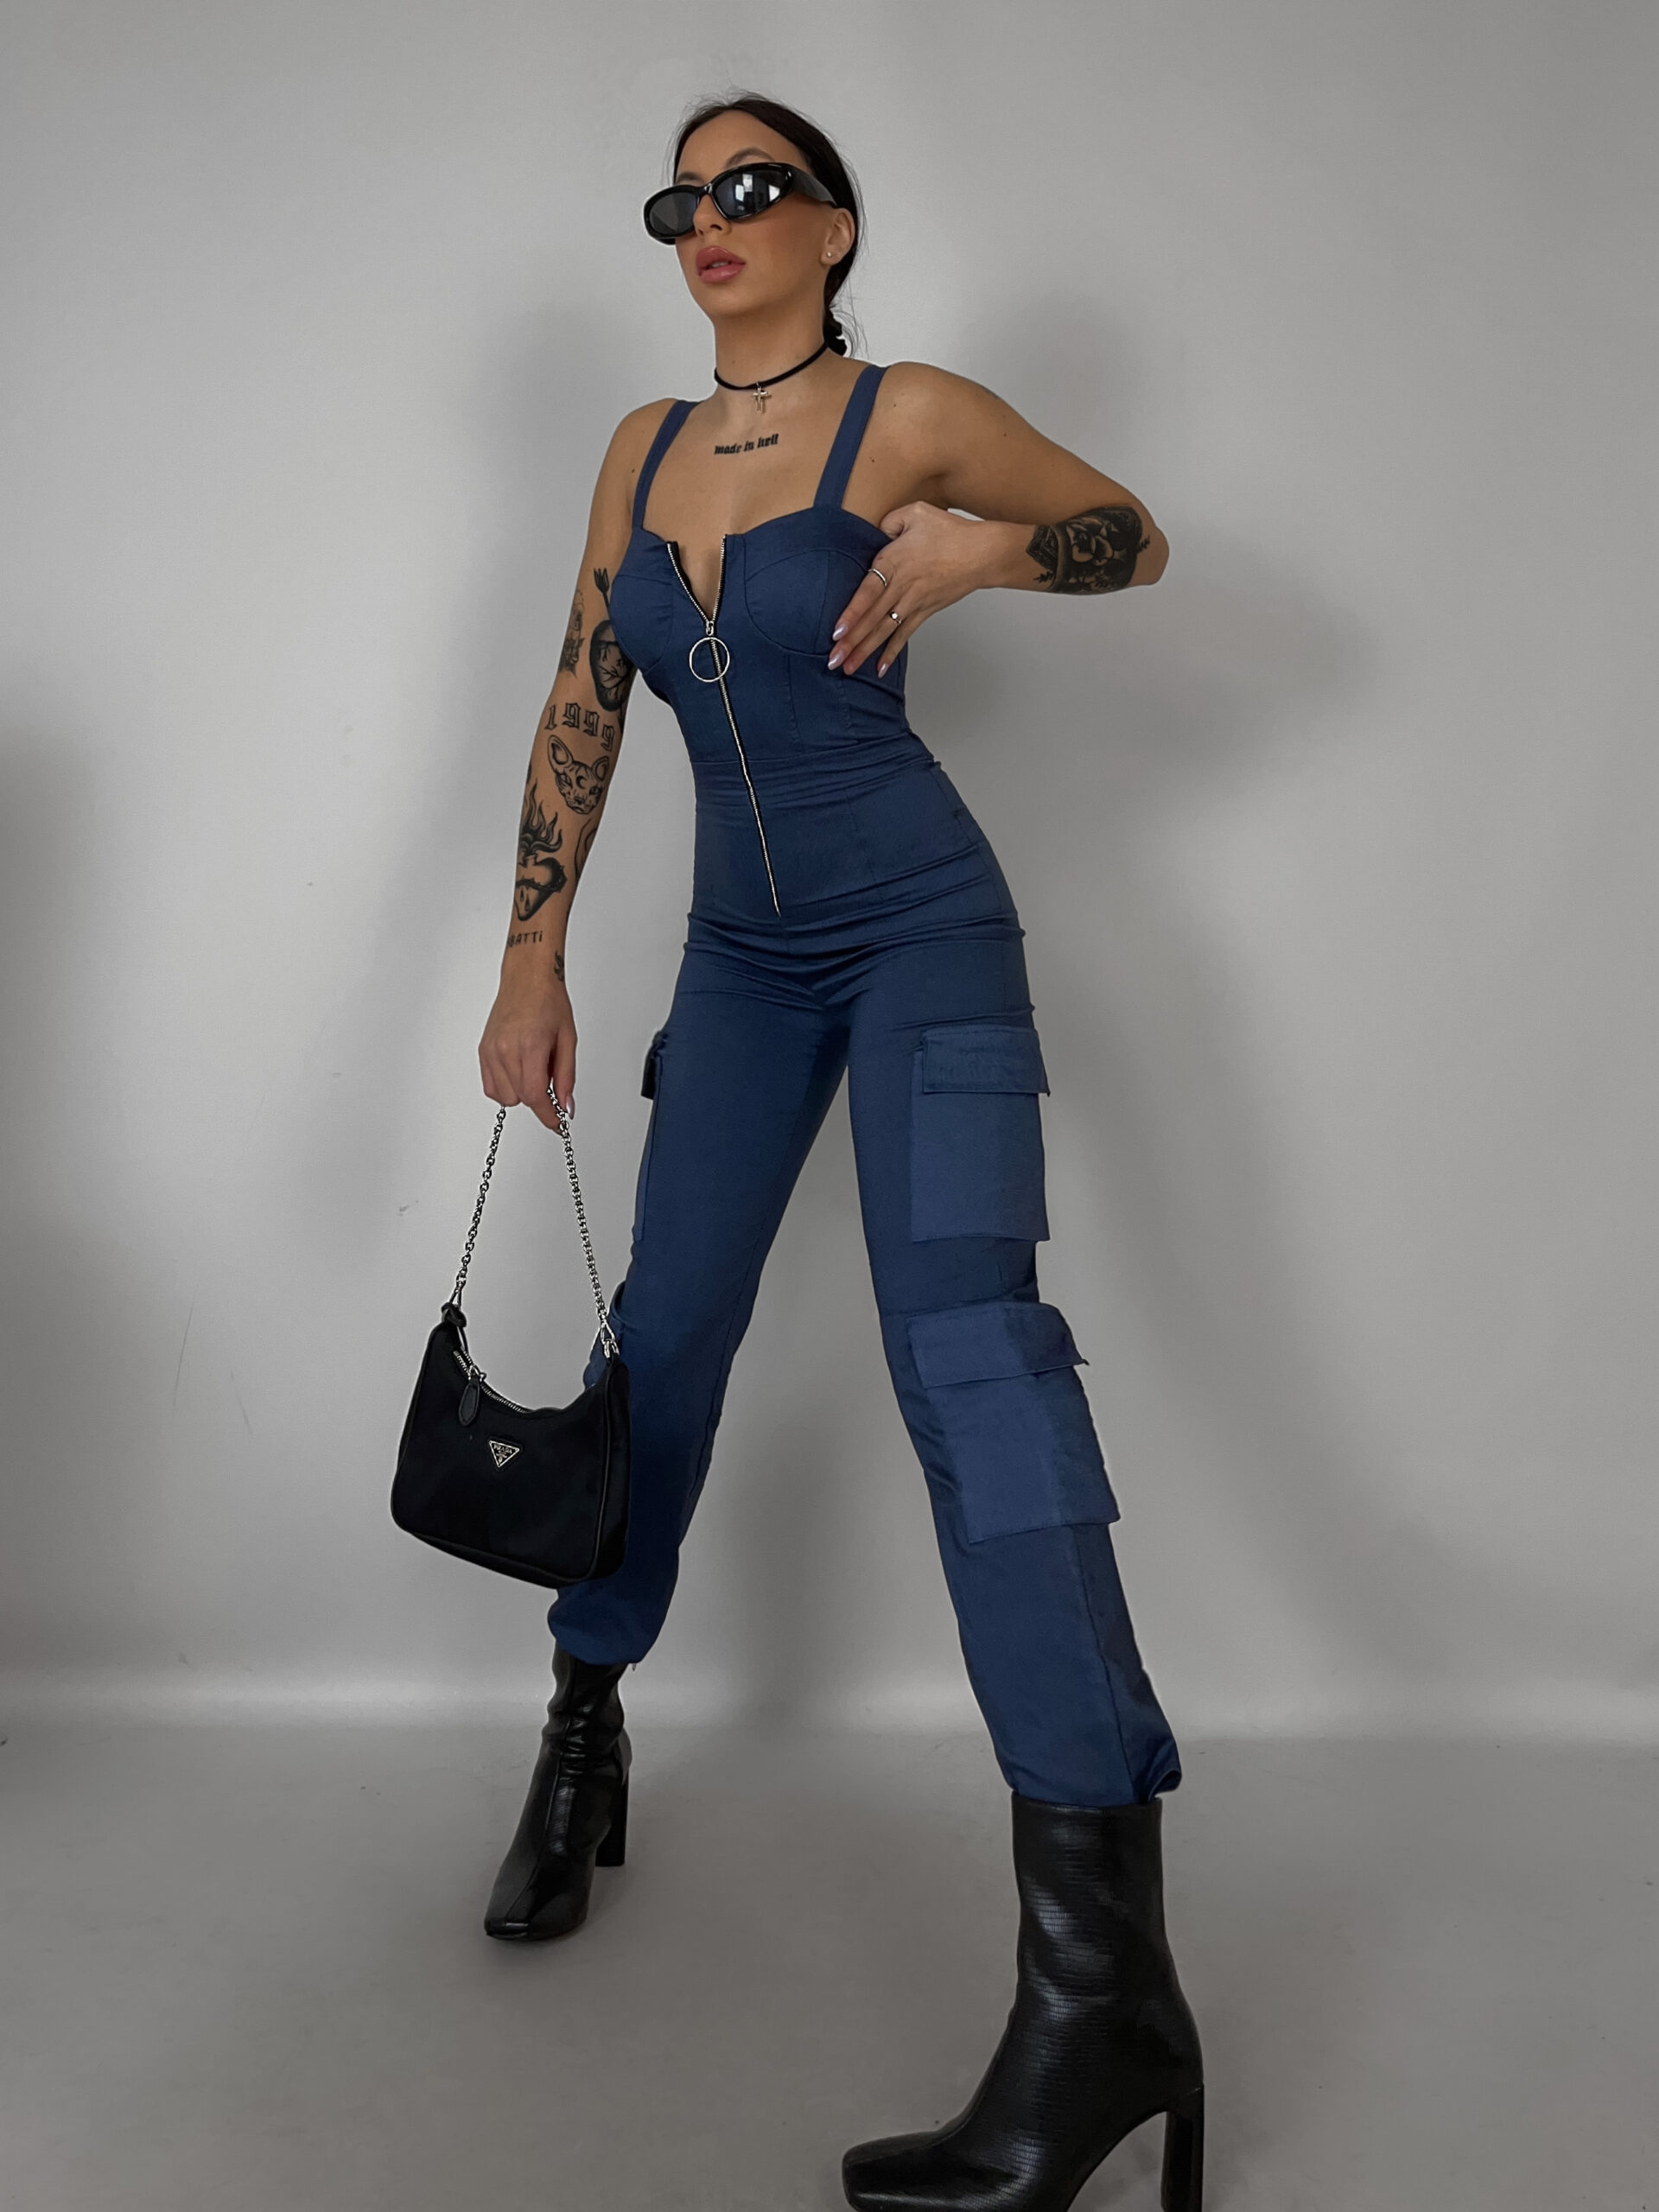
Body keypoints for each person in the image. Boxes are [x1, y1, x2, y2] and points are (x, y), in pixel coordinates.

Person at [476, 90, 1205, 2212]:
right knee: (665, 1345)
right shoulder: (637, 452)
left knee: (977, 1368)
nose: (707, 220)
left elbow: (1137, 532)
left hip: (923, 940)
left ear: (834, 226)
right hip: (740, 961)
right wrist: (531, 957)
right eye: (680, 199)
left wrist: (994, 546)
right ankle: (587, 1716)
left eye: (751, 188)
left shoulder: (917, 415)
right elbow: (581, 697)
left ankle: (1104, 1993)